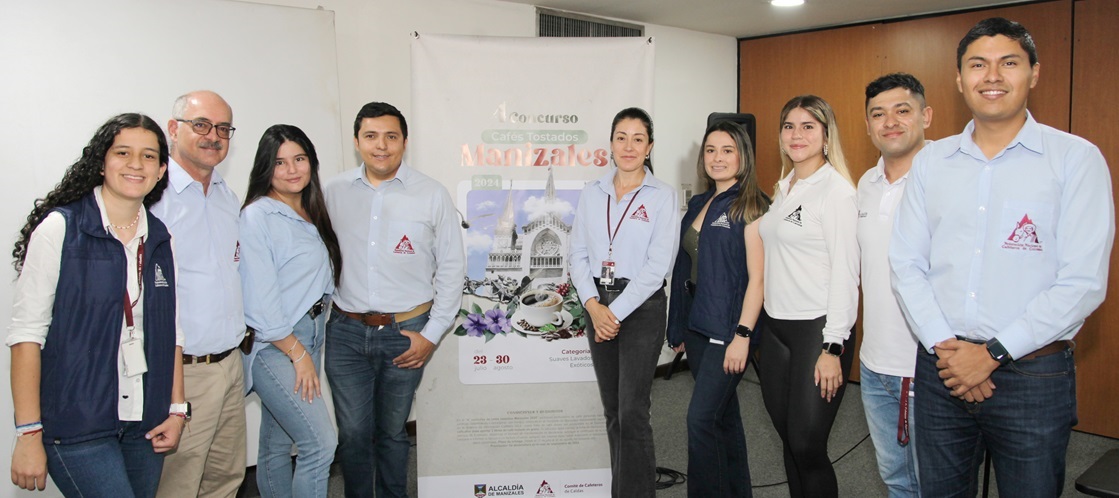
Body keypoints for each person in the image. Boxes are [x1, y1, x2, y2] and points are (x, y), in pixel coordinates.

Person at [890, 17, 1114, 497]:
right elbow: (906, 263)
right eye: (977, 64)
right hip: (941, 370)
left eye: (1008, 62)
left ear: (1033, 73)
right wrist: (949, 352)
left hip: (1032, 375)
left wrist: (992, 354)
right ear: (959, 80)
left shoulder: (1075, 159)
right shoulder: (932, 161)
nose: (991, 76)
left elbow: (1083, 283)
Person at [8, 113, 187, 497]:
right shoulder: (61, 229)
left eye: (149, 156)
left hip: (145, 420)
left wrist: (176, 409)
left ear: (161, 170)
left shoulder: (160, 237)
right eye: (123, 152)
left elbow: (171, 330)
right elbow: (26, 335)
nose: (136, 164)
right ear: (102, 162)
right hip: (78, 423)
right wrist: (27, 433)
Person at [324, 102, 465, 498]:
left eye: (391, 136)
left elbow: (453, 267)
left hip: (407, 333)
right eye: (370, 136)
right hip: (346, 333)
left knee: (391, 431)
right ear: (357, 142)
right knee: (352, 434)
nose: (381, 145)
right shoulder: (332, 191)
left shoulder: (432, 194)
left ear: (405, 141)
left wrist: (432, 334)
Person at [569, 107, 679, 498]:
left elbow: (657, 268)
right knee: (614, 411)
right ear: (611, 145)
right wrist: (594, 306)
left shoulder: (663, 197)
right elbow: (577, 254)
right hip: (598, 305)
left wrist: (612, 313)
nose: (629, 146)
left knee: (633, 412)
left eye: (638, 139)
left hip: (642, 308)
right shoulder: (592, 193)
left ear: (649, 147)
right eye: (621, 137)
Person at [756, 95, 858, 498]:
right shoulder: (784, 187)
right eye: (789, 126)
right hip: (776, 328)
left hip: (817, 331)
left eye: (808, 126)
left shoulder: (836, 192)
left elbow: (847, 274)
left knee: (807, 445)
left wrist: (833, 346)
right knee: (788, 439)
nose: (796, 135)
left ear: (826, 135)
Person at [151, 90, 248, 498]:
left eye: (223, 128)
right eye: (202, 125)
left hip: (230, 365)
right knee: (179, 484)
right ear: (173, 129)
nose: (214, 136)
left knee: (226, 479)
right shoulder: (153, 198)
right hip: (184, 373)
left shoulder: (227, 197)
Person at [667, 120, 768, 497]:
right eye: (711, 150)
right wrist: (677, 326)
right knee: (724, 419)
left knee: (701, 420)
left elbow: (758, 279)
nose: (718, 158)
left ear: (743, 156)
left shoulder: (753, 205)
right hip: (696, 326)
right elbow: (684, 269)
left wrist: (742, 336)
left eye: (727, 150)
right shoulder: (699, 202)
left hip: (728, 331)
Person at [239, 125, 341, 497]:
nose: (292, 169)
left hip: (311, 332)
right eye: (279, 162)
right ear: (266, 168)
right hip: (278, 344)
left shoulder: (309, 210)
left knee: (277, 442)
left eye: (299, 159)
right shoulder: (258, 216)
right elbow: (261, 302)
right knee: (321, 444)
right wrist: (298, 354)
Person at [856, 73, 932, 498]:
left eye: (902, 110)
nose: (890, 122)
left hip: (929, 367)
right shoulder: (865, 184)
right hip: (874, 364)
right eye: (878, 114)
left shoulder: (947, 177)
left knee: (937, 483)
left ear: (926, 116)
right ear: (868, 126)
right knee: (897, 482)